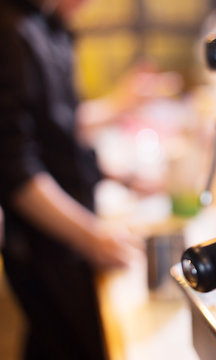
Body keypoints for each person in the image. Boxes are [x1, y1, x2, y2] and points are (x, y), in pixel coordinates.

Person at [0, 0, 143, 359]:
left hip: (73, 228)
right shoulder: (7, 30)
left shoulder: (49, 25)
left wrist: (118, 176)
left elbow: (59, 131)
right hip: (42, 239)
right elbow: (14, 170)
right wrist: (92, 236)